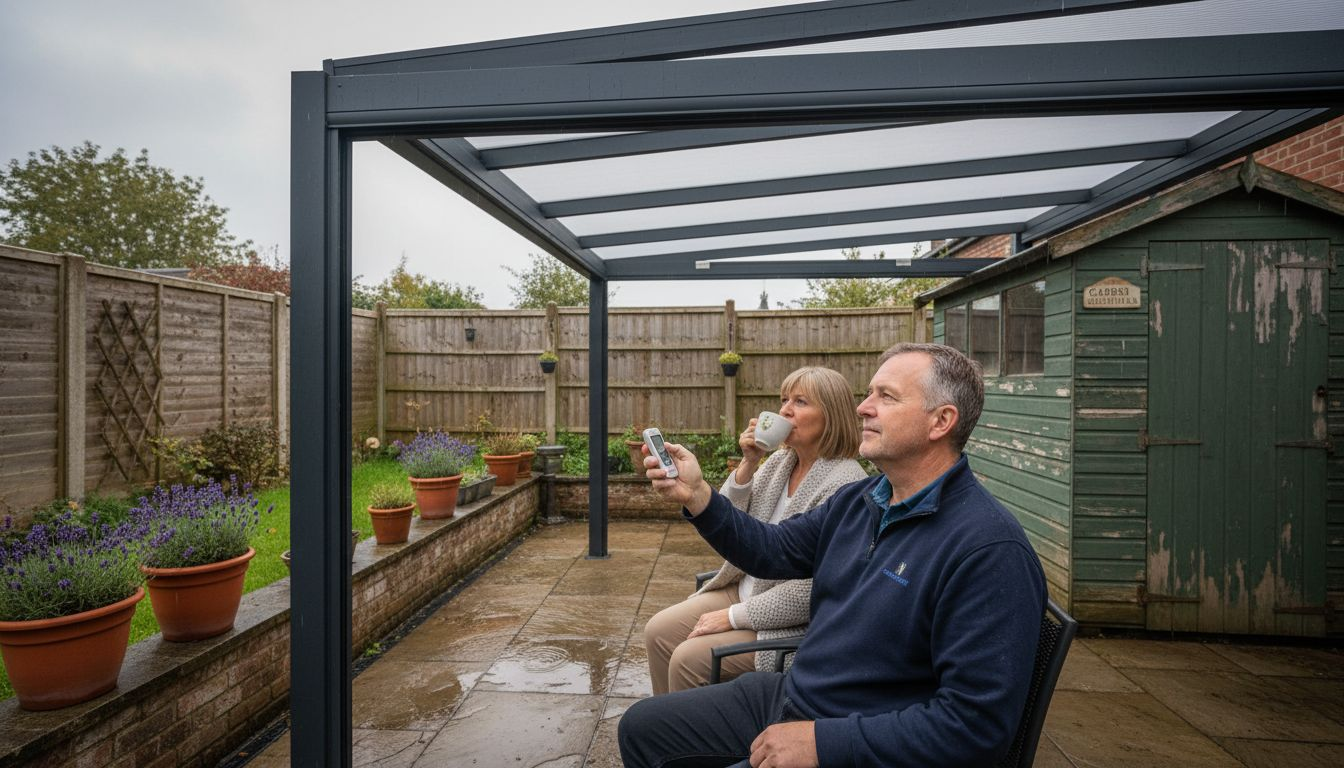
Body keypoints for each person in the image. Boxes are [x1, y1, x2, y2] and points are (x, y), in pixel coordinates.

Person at [619, 343, 1046, 768]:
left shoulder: (988, 551)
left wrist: (824, 743)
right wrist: (697, 495)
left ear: (941, 421)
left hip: (856, 729)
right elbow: (771, 550)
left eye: (886, 396)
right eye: (869, 393)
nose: (863, 407)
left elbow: (975, 729)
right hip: (797, 694)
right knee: (641, 727)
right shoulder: (860, 501)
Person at [644, 367, 868, 694]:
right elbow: (732, 529)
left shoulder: (847, 483)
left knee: (688, 659)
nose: (785, 410)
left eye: (800, 402)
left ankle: (690, 739)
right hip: (744, 586)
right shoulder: (780, 462)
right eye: (783, 400)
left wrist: (733, 616)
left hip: (788, 622)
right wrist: (749, 462)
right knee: (657, 631)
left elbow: (817, 588)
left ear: (831, 414)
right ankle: (661, 731)